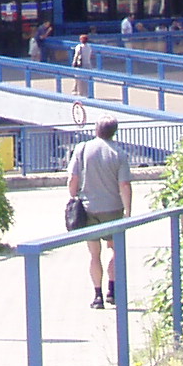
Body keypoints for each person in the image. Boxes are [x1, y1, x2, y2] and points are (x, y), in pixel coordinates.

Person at [67, 117, 134, 309]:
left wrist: (73, 197)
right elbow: (124, 185)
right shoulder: (119, 153)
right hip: (113, 209)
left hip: (89, 210)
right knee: (115, 250)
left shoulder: (82, 149)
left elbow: (72, 179)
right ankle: (112, 290)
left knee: (94, 255)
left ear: (96, 129)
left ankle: (98, 296)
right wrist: (128, 211)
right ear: (114, 131)